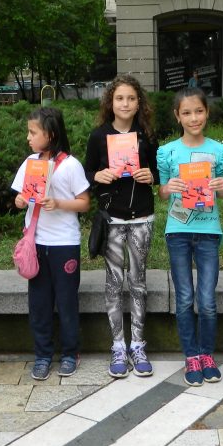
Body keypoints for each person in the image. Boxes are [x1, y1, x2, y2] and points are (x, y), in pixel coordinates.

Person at [84, 75, 159, 378]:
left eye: (131, 98)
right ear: (110, 102)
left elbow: (159, 172)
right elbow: (86, 172)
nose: (125, 104)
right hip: (112, 219)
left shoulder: (146, 136)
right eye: (119, 98)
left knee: (138, 282)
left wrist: (151, 176)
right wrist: (96, 176)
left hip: (142, 218)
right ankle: (118, 346)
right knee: (114, 284)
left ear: (139, 103)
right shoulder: (98, 136)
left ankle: (138, 345)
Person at [12, 107, 91, 380]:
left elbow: (84, 203)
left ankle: (70, 353)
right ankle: (43, 355)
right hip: (37, 243)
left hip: (64, 244)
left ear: (51, 134)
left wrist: (58, 203)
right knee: (39, 303)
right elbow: (19, 198)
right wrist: (20, 200)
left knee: (67, 301)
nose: (28, 137)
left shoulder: (71, 165)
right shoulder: (30, 162)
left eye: (33, 132)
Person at [157, 87, 223, 386]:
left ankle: (206, 354)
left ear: (207, 113)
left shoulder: (218, 150)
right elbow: (162, 193)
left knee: (207, 299)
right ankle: (191, 355)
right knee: (185, 297)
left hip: (208, 231)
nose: (193, 118)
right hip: (178, 231)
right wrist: (168, 188)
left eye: (199, 111)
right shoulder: (167, 151)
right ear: (178, 116)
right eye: (186, 113)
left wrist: (222, 187)